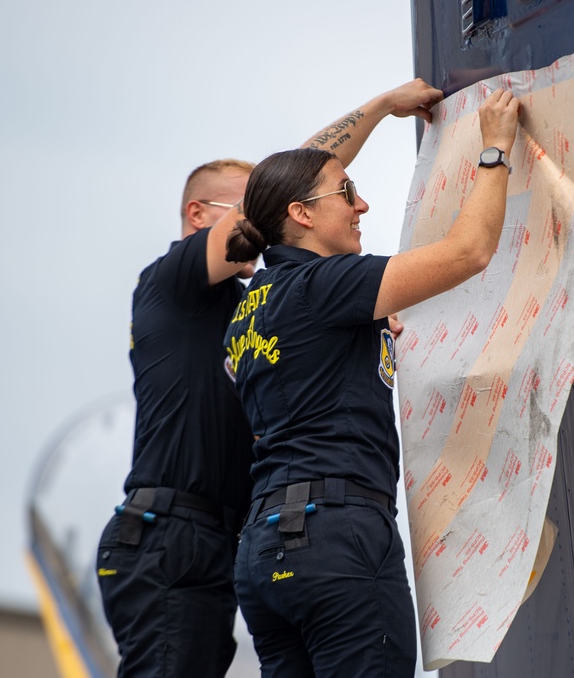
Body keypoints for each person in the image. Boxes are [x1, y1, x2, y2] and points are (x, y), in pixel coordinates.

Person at [95, 78, 444, 678]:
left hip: (241, 535)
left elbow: (298, 185)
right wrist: (381, 108)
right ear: (198, 215)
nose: (256, 218)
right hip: (170, 533)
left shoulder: (270, 302)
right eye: (241, 207)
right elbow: (291, 192)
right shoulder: (171, 282)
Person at [223, 88, 521, 677]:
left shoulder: (249, 310)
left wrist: (384, 107)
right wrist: (495, 148)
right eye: (347, 193)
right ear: (301, 215)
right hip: (337, 536)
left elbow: (280, 182)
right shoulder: (323, 287)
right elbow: (469, 252)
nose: (361, 206)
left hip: (264, 551)